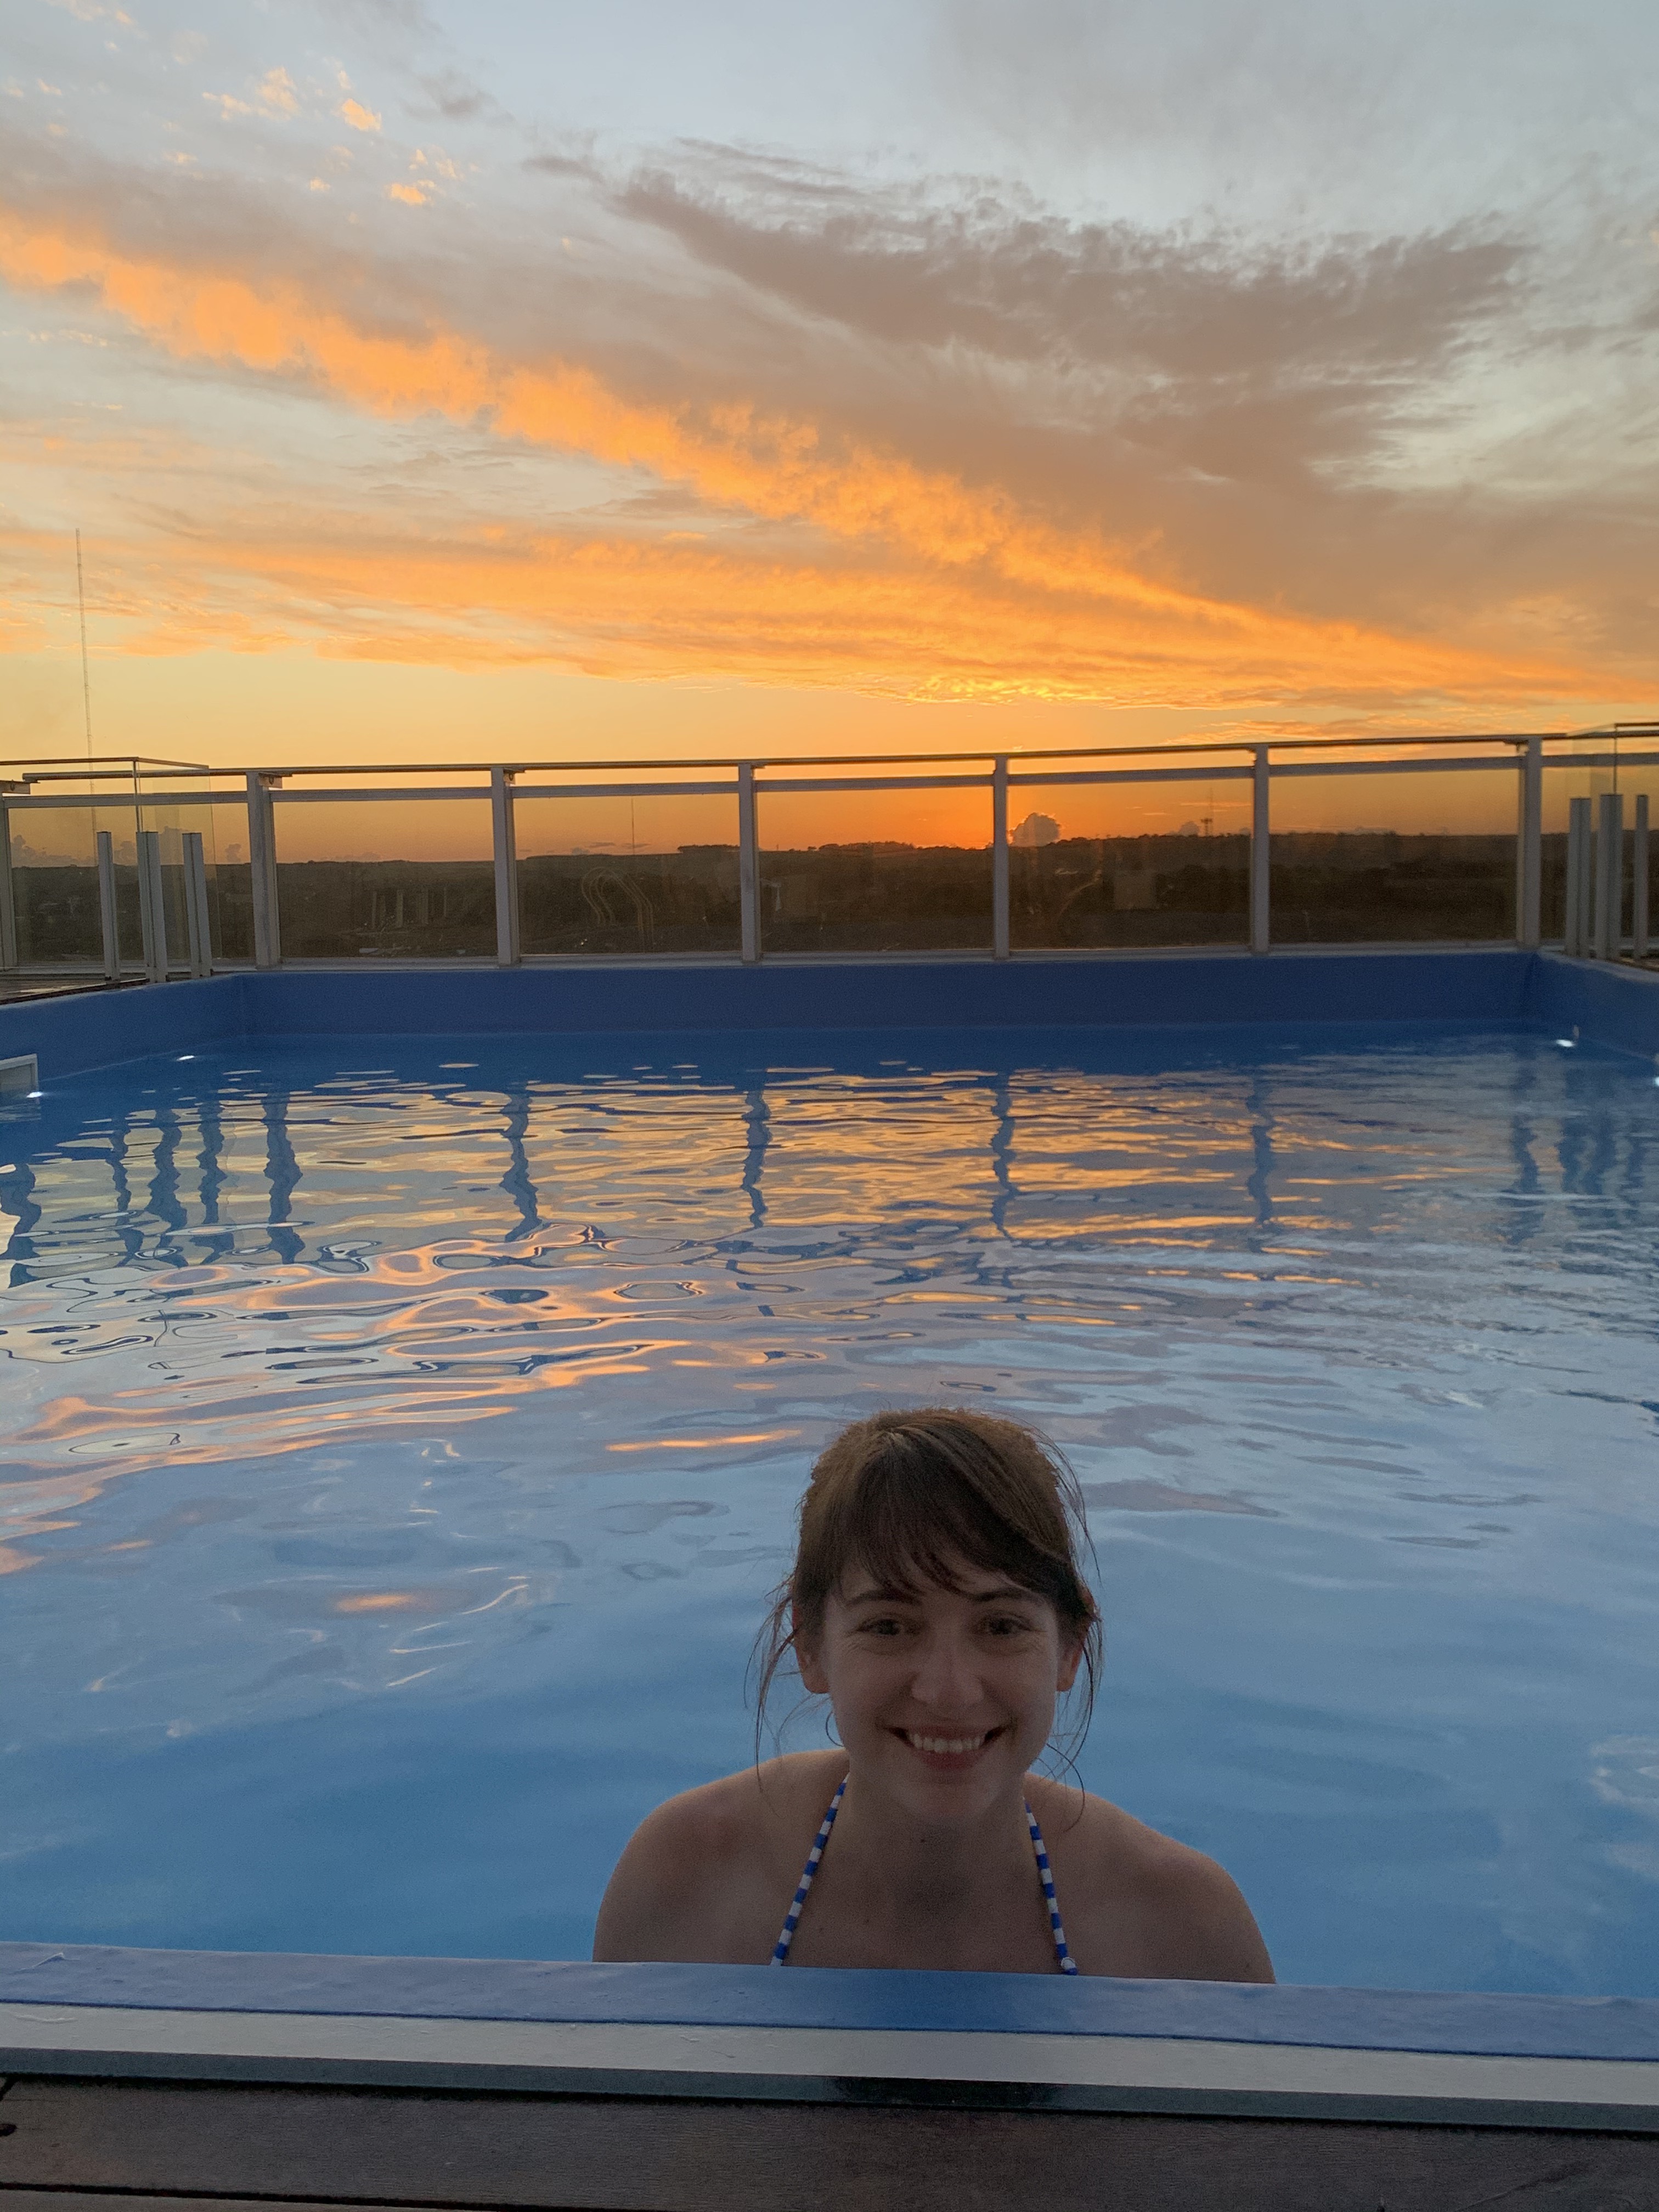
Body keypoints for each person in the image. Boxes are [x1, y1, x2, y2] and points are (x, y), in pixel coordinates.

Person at [594, 1408, 1273, 1980]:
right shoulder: (685, 1878)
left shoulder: (1185, 1931)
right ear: (810, 1646)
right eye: (889, 1627)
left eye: (1000, 1627)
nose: (949, 1692)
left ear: (1069, 1648)